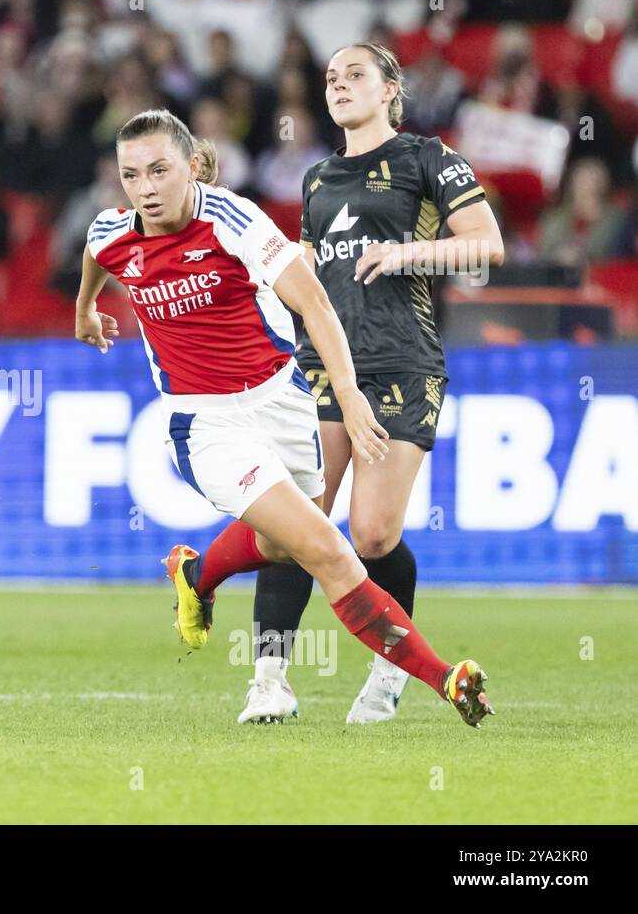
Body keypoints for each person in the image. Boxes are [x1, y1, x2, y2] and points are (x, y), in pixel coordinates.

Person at [75, 108, 494, 729]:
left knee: (280, 544)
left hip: (284, 402)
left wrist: (347, 395)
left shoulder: (235, 221)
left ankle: (195, 574)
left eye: (160, 171)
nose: (146, 189)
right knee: (324, 545)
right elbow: (94, 251)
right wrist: (85, 309)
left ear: (191, 168)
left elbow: (315, 302)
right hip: (206, 423)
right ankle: (443, 678)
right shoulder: (114, 232)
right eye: (132, 175)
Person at [247, 43, 504, 725]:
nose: (339, 85)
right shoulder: (317, 178)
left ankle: (391, 668)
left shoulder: (429, 158)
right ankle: (268, 679)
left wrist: (403, 252)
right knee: (297, 521)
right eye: (330, 78)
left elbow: (486, 242)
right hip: (327, 368)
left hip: (402, 364)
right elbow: (306, 274)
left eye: (355, 74)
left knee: (373, 536)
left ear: (391, 89)